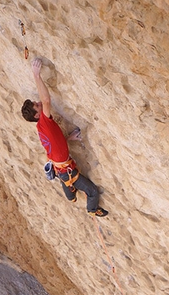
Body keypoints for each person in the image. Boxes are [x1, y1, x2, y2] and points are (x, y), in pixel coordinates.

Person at [21, 58, 108, 217]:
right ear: (37, 114)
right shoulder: (44, 122)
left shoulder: (42, 127)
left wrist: (68, 138)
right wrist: (36, 76)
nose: (39, 102)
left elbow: (54, 142)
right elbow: (47, 100)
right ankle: (92, 209)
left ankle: (70, 196)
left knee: (67, 182)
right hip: (65, 169)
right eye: (37, 105)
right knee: (93, 191)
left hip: (59, 165)